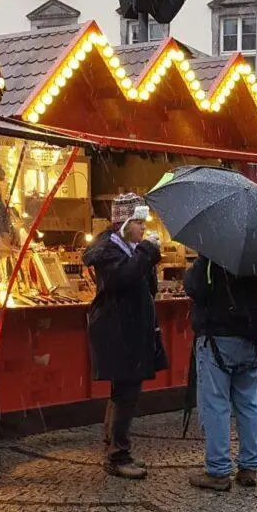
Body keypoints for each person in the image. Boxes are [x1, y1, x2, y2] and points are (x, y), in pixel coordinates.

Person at [83, 193, 167, 480]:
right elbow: (123, 278)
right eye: (139, 223)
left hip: (129, 328)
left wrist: (148, 257)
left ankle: (113, 446)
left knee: (123, 390)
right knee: (127, 392)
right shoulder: (110, 250)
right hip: (119, 330)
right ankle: (118, 455)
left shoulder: (127, 248)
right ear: (125, 222)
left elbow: (146, 285)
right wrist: (147, 251)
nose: (143, 228)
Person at [184, 255, 257, 491]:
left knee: (216, 405)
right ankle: (249, 466)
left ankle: (218, 471)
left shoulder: (213, 255)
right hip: (251, 341)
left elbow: (194, 288)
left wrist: (196, 265)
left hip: (218, 339)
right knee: (248, 403)